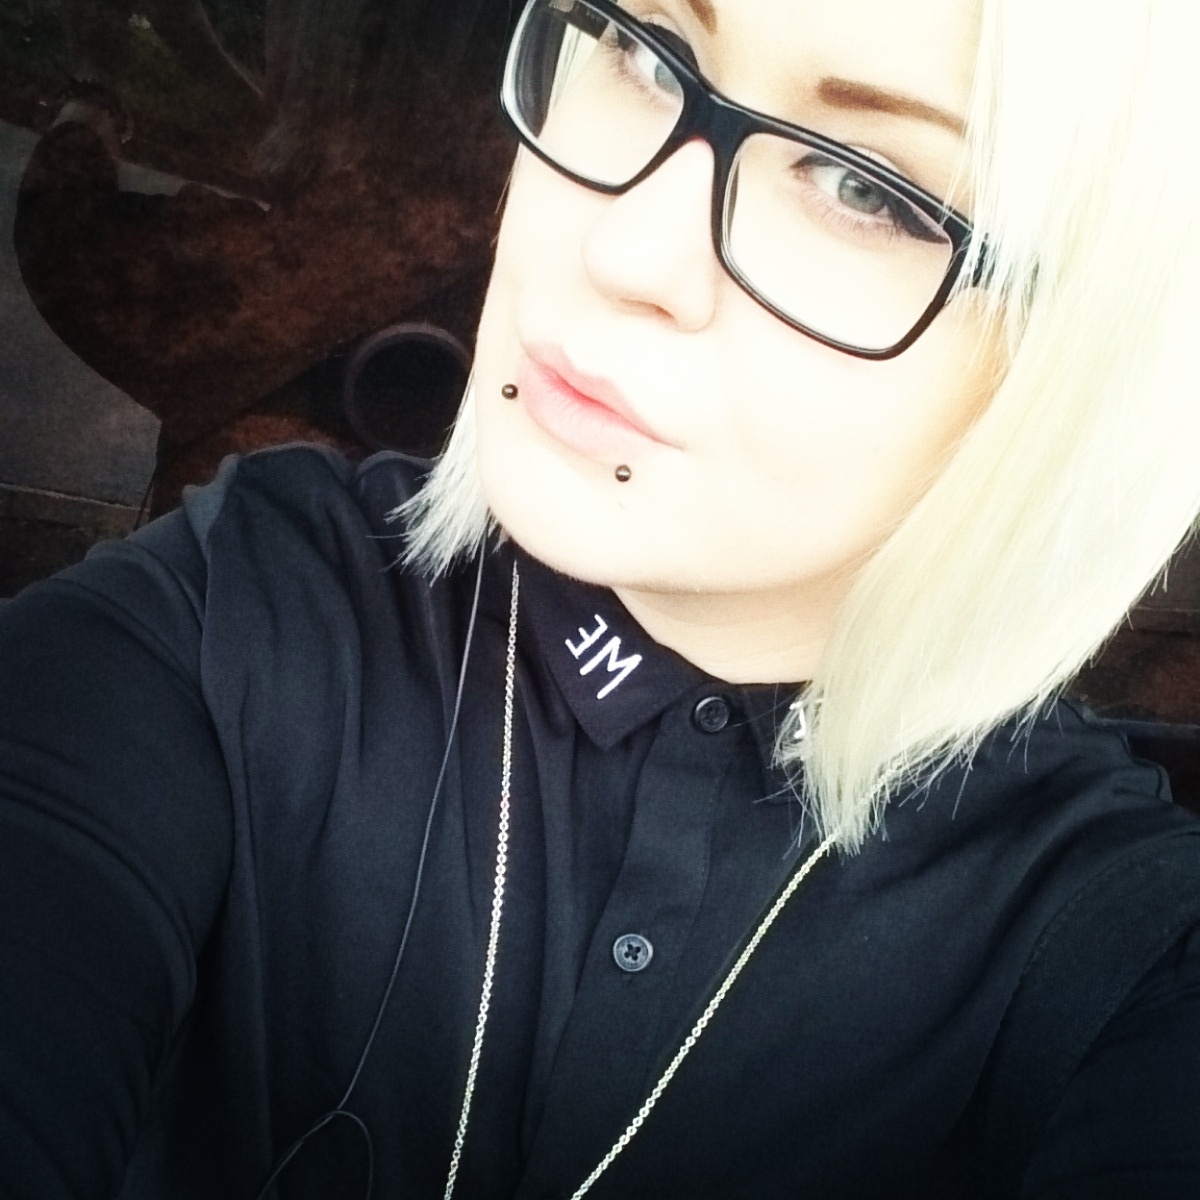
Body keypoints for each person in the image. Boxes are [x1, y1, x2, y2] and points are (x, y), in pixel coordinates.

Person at [2, 0, 1200, 1197]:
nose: (623, 247)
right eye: (646, 52)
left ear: (1092, 371)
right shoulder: (227, 620)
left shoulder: (1126, 954)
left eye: (864, 188)